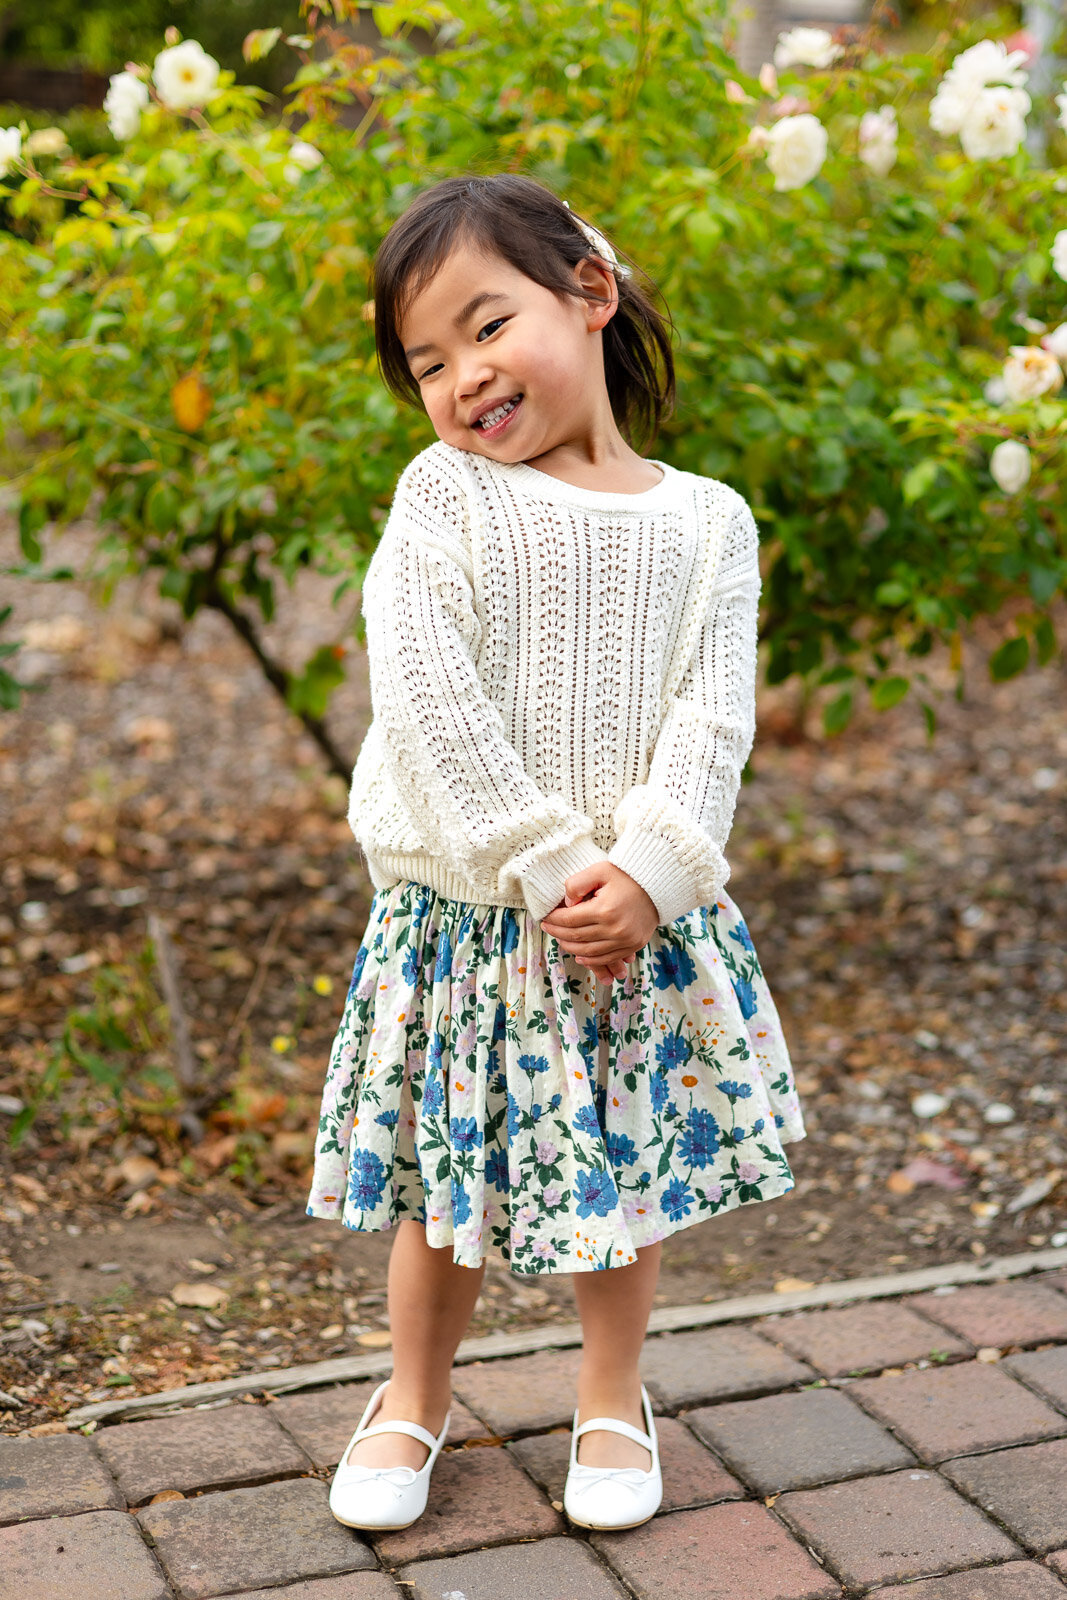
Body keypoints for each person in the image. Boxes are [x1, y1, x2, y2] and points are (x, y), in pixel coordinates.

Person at [305, 172, 807, 1534]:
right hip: (476, 918)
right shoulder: (447, 500)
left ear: (591, 292)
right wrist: (539, 864)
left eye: (486, 325)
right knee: (439, 1195)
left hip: (631, 922)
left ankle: (609, 1394)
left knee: (623, 1175)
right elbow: (427, 693)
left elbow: (714, 714)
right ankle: (412, 1396)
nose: (465, 376)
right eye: (427, 359)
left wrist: (650, 867)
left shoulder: (706, 523)